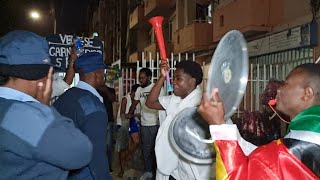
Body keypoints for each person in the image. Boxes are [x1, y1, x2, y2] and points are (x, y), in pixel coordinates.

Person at [198, 63, 320, 179]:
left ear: (307, 94)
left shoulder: (295, 149)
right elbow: (260, 157)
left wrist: (218, 125)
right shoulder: (308, 137)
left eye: (286, 84)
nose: (278, 89)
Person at [0, 30, 93, 179]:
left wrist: (72, 61)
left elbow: (64, 83)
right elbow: (82, 152)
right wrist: (43, 108)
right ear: (42, 79)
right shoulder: (26, 118)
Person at [146, 60, 211, 179]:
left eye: (178, 79)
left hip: (189, 172)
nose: (173, 82)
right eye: (173, 78)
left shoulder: (201, 105)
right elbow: (150, 102)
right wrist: (161, 77)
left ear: (191, 82)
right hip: (171, 169)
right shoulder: (174, 100)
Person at [53, 52, 112, 180]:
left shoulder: (64, 97)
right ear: (97, 74)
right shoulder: (94, 107)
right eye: (103, 72)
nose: (104, 76)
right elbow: (96, 155)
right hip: (85, 174)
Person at [127, 68, 162, 180]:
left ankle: (157, 172)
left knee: (156, 149)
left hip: (155, 123)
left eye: (142, 78)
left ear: (149, 77)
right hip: (144, 124)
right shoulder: (138, 90)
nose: (140, 80)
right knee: (146, 149)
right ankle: (148, 172)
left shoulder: (155, 88)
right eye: (139, 78)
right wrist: (129, 113)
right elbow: (135, 103)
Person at [115, 84, 141, 177]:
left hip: (131, 121)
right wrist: (134, 115)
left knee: (136, 141)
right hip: (122, 123)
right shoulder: (125, 99)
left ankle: (127, 156)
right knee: (122, 147)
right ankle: (122, 169)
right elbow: (123, 115)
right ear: (134, 92)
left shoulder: (136, 99)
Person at [97, 85, 116, 173]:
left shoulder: (110, 90)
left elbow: (113, 99)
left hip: (108, 121)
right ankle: (101, 166)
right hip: (98, 121)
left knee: (108, 146)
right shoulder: (94, 90)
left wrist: (105, 90)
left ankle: (108, 167)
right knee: (100, 145)